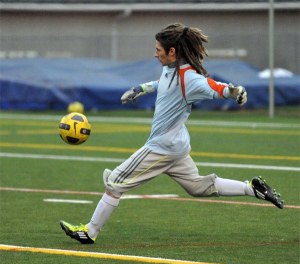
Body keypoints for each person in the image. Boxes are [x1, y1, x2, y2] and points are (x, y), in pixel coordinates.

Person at [60, 23, 284, 244]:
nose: (155, 53)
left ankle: (90, 231)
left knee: (115, 182)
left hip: (161, 148)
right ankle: (251, 188)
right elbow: (162, 83)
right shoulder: (171, 70)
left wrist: (235, 92)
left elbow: (216, 88)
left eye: (158, 49)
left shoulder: (190, 79)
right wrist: (140, 89)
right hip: (177, 147)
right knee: (197, 187)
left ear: (172, 52)